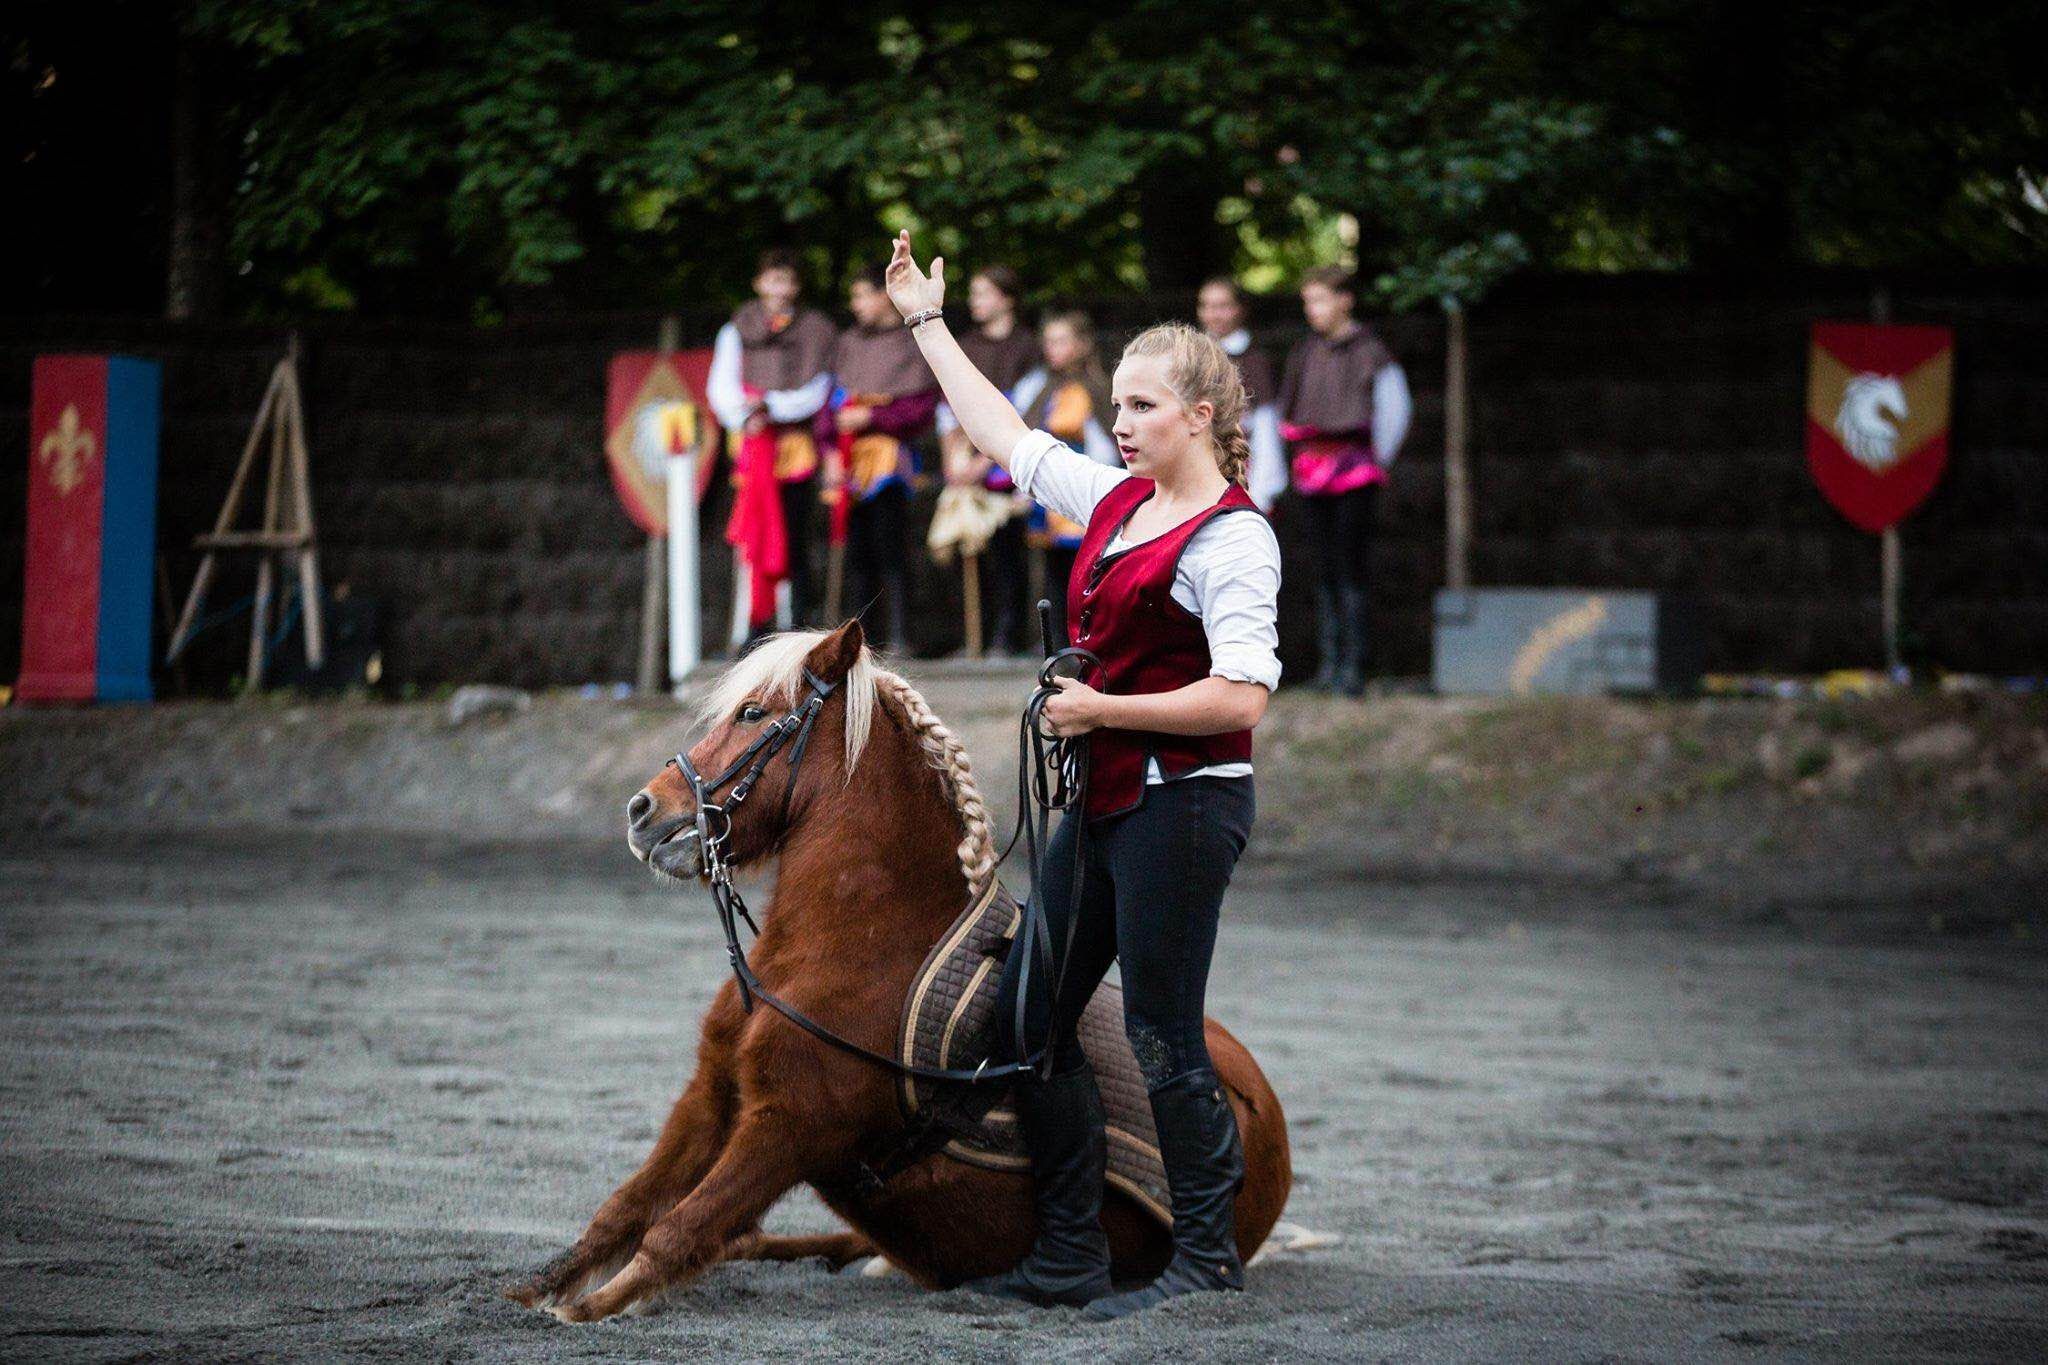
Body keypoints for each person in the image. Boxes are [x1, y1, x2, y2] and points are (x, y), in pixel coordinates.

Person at [886, 230, 1281, 1318]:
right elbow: (1002, 433)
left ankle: (1205, 1263)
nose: (1119, 424)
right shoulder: (1114, 502)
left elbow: (1242, 696)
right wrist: (925, 319)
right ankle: (1069, 1253)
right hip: (1104, 803)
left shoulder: (1234, 541)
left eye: (1143, 407)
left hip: (1185, 809)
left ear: (1199, 414)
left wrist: (1101, 707)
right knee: (1029, 1021)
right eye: (1116, 406)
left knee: (1158, 1027)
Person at [1276, 265, 1411, 695]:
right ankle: (1329, 665)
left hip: (1355, 473)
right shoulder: (1306, 352)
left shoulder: (1371, 351)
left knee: (1352, 568)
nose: (1312, 310)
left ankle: (1354, 667)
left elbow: (1395, 411)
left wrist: (1373, 462)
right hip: (1313, 475)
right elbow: (1289, 410)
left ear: (1344, 300)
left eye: (1319, 300)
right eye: (1308, 302)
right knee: (1322, 568)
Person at [707, 248, 838, 643]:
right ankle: (755, 626)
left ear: (796, 286)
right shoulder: (736, 328)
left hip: (794, 450)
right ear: (759, 283)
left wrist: (772, 406)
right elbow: (721, 386)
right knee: (753, 534)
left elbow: (818, 390)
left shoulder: (816, 330)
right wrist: (746, 414)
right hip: (752, 449)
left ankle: (797, 623)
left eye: (787, 280)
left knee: (795, 537)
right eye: (772, 279)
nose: (779, 288)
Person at [818, 265, 939, 651]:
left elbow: (921, 408)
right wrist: (830, 451)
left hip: (890, 462)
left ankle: (902, 636)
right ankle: (858, 641)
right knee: (856, 554)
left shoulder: (910, 342)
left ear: (882, 295)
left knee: (892, 549)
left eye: (861, 296)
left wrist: (873, 416)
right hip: (850, 462)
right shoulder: (849, 342)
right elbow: (829, 404)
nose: (855, 305)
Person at [941, 265, 1041, 654]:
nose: (975, 301)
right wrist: (955, 458)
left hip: (1004, 462)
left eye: (984, 293)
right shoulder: (964, 344)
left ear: (1007, 299)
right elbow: (949, 404)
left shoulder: (1028, 348)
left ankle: (1007, 634)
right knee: (969, 550)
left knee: (1007, 552)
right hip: (966, 462)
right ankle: (973, 638)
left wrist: (988, 457)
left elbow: (1026, 408)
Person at [1012, 310, 1120, 628]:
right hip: (1049, 493)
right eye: (1049, 341)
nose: (1052, 349)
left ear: (1082, 344)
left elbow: (1106, 442)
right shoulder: (1041, 387)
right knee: (1054, 574)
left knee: (1088, 571)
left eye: (1061, 341)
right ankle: (1057, 642)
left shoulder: (1099, 387)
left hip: (1088, 486)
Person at [1196, 277, 1287, 513]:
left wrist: (1262, 489)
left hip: (1243, 468)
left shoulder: (1255, 361)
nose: (1213, 314)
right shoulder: (1190, 358)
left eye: (1222, 306)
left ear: (1239, 310)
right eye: (1206, 306)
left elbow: (1266, 426)